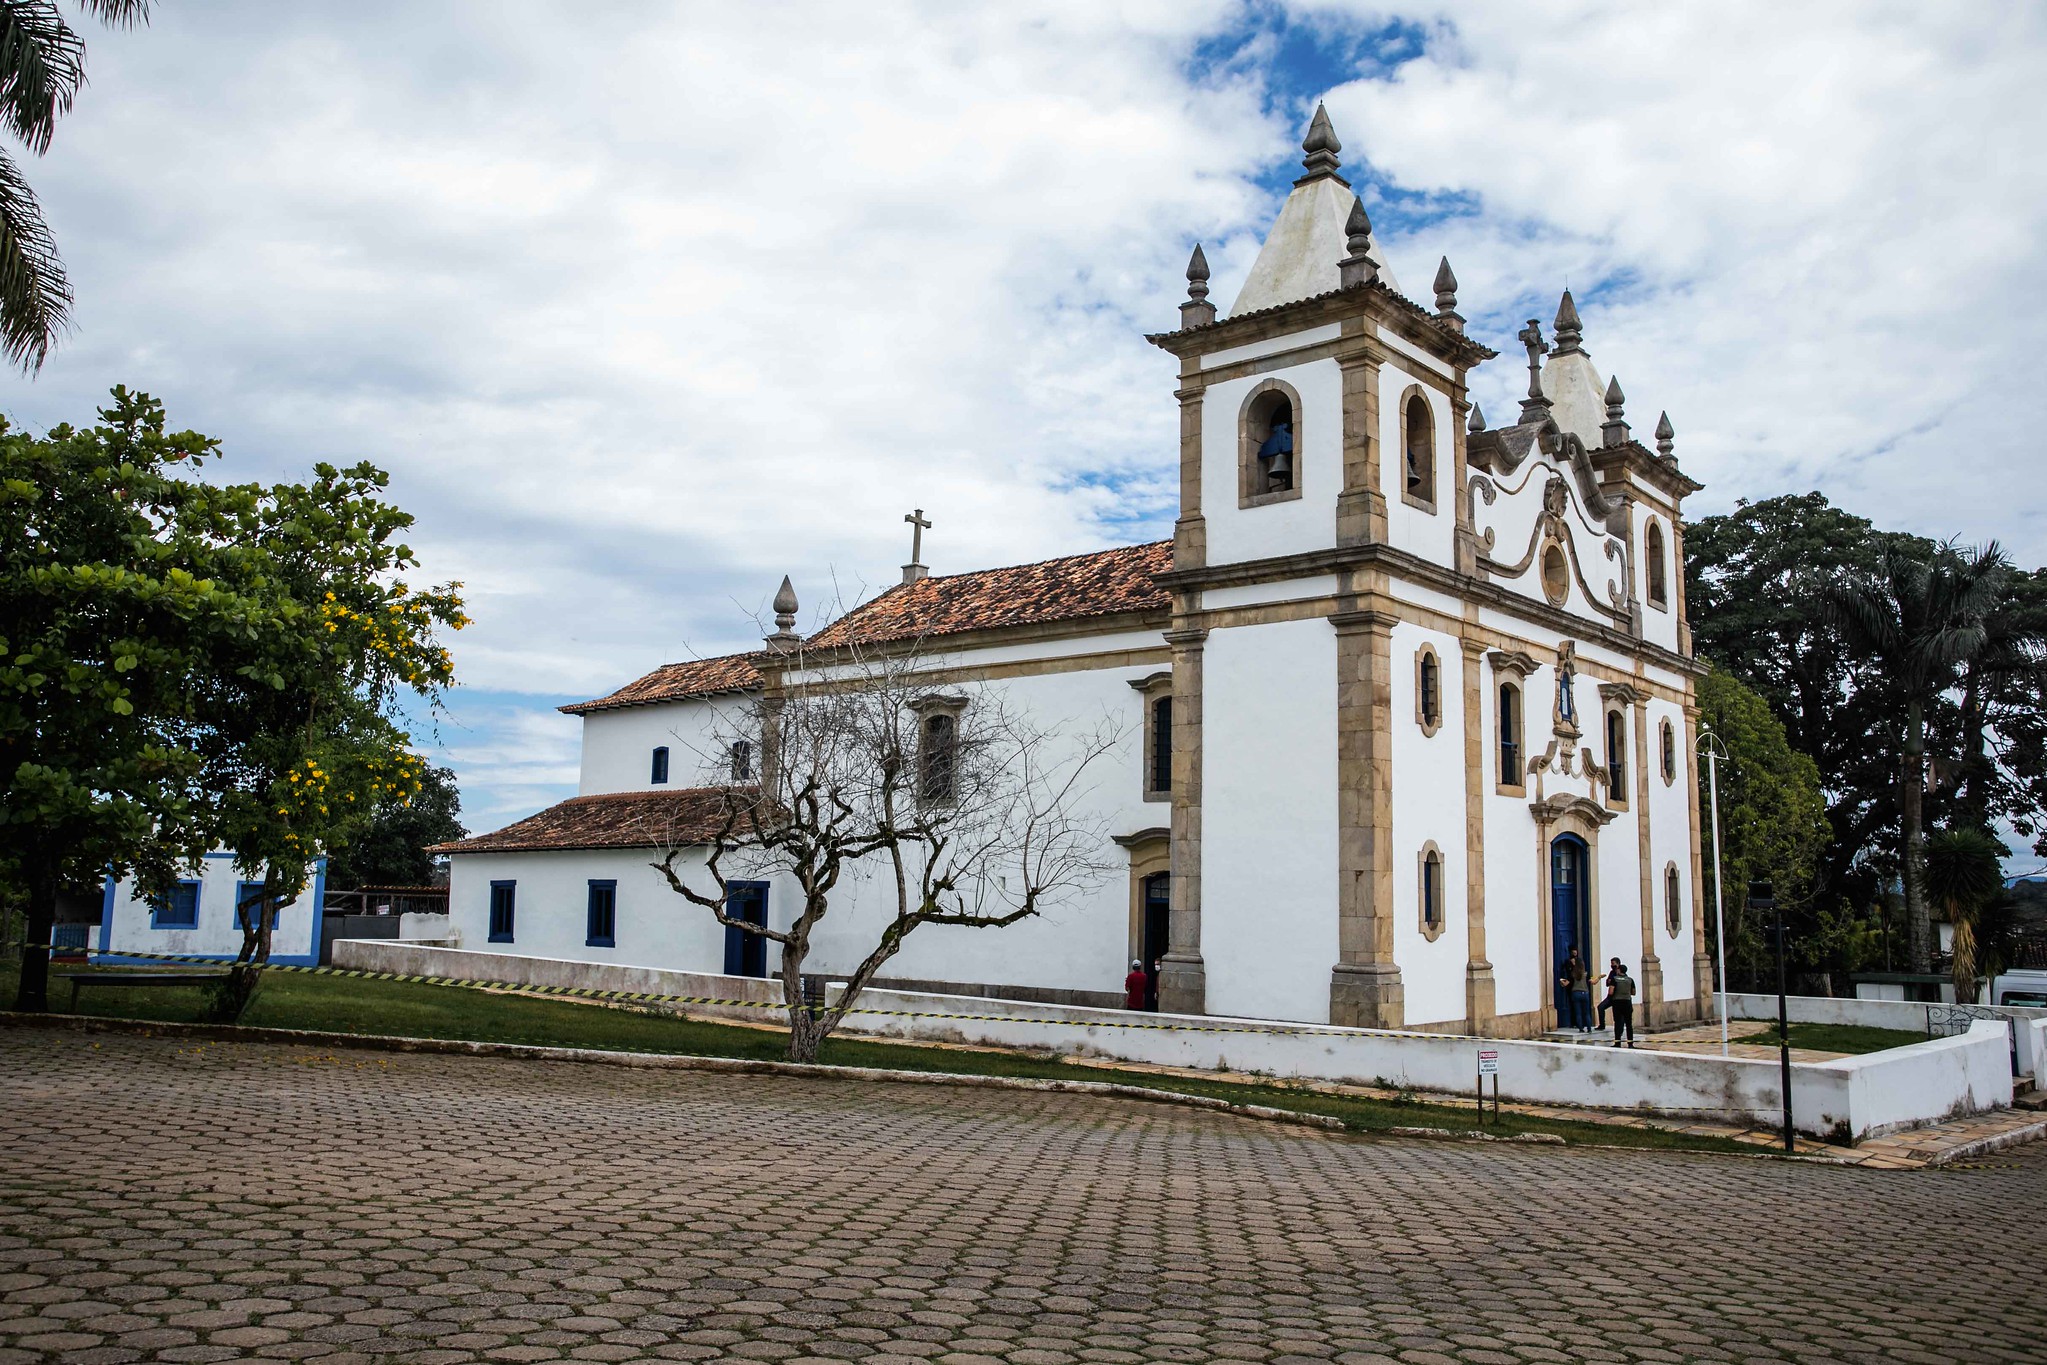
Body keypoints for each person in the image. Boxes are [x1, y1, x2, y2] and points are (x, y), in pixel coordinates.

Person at [1558, 949, 1592, 1032]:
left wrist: (1561, 981)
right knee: (1587, 1013)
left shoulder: (1573, 974)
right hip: (1585, 993)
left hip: (1576, 993)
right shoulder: (1586, 974)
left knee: (1578, 1013)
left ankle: (1580, 1028)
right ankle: (1589, 1028)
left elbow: (1566, 983)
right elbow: (1592, 981)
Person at [1610, 962, 1638, 1047]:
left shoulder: (1614, 979)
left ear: (1619, 970)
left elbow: (1611, 992)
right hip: (1627, 1002)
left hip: (1617, 1003)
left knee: (1618, 1023)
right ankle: (1630, 1043)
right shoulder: (1630, 980)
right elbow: (1633, 992)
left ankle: (1617, 1042)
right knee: (1629, 1024)